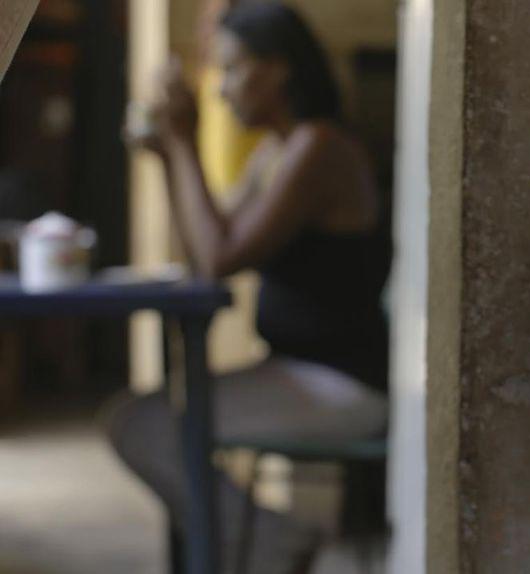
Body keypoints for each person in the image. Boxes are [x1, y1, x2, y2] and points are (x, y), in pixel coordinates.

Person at [107, 3, 390, 573]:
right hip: (296, 370)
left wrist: (185, 142)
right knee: (139, 422)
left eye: (232, 69)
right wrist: (168, 157)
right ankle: (266, 540)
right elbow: (203, 250)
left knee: (145, 427)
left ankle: (273, 541)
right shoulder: (276, 150)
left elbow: (218, 259)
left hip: (343, 385)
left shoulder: (318, 147)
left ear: (278, 69)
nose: (221, 89)